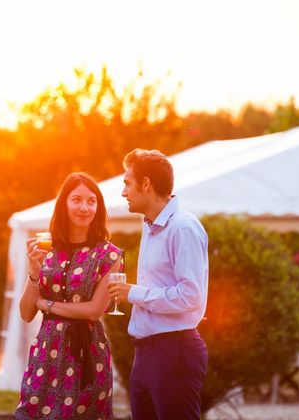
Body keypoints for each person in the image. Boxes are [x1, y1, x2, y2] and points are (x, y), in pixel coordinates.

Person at [108, 148, 209, 420]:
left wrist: (134, 293)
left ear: (146, 184)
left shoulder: (182, 228)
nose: (123, 192)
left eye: (127, 183)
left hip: (174, 351)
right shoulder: (150, 225)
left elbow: (190, 296)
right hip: (146, 351)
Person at [14, 172, 123, 420]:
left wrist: (48, 304)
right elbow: (26, 312)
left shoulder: (109, 255)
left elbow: (94, 310)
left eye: (91, 201)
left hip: (86, 353)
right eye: (77, 199)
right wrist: (33, 271)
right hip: (47, 351)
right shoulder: (46, 250)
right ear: (63, 203)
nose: (84, 207)